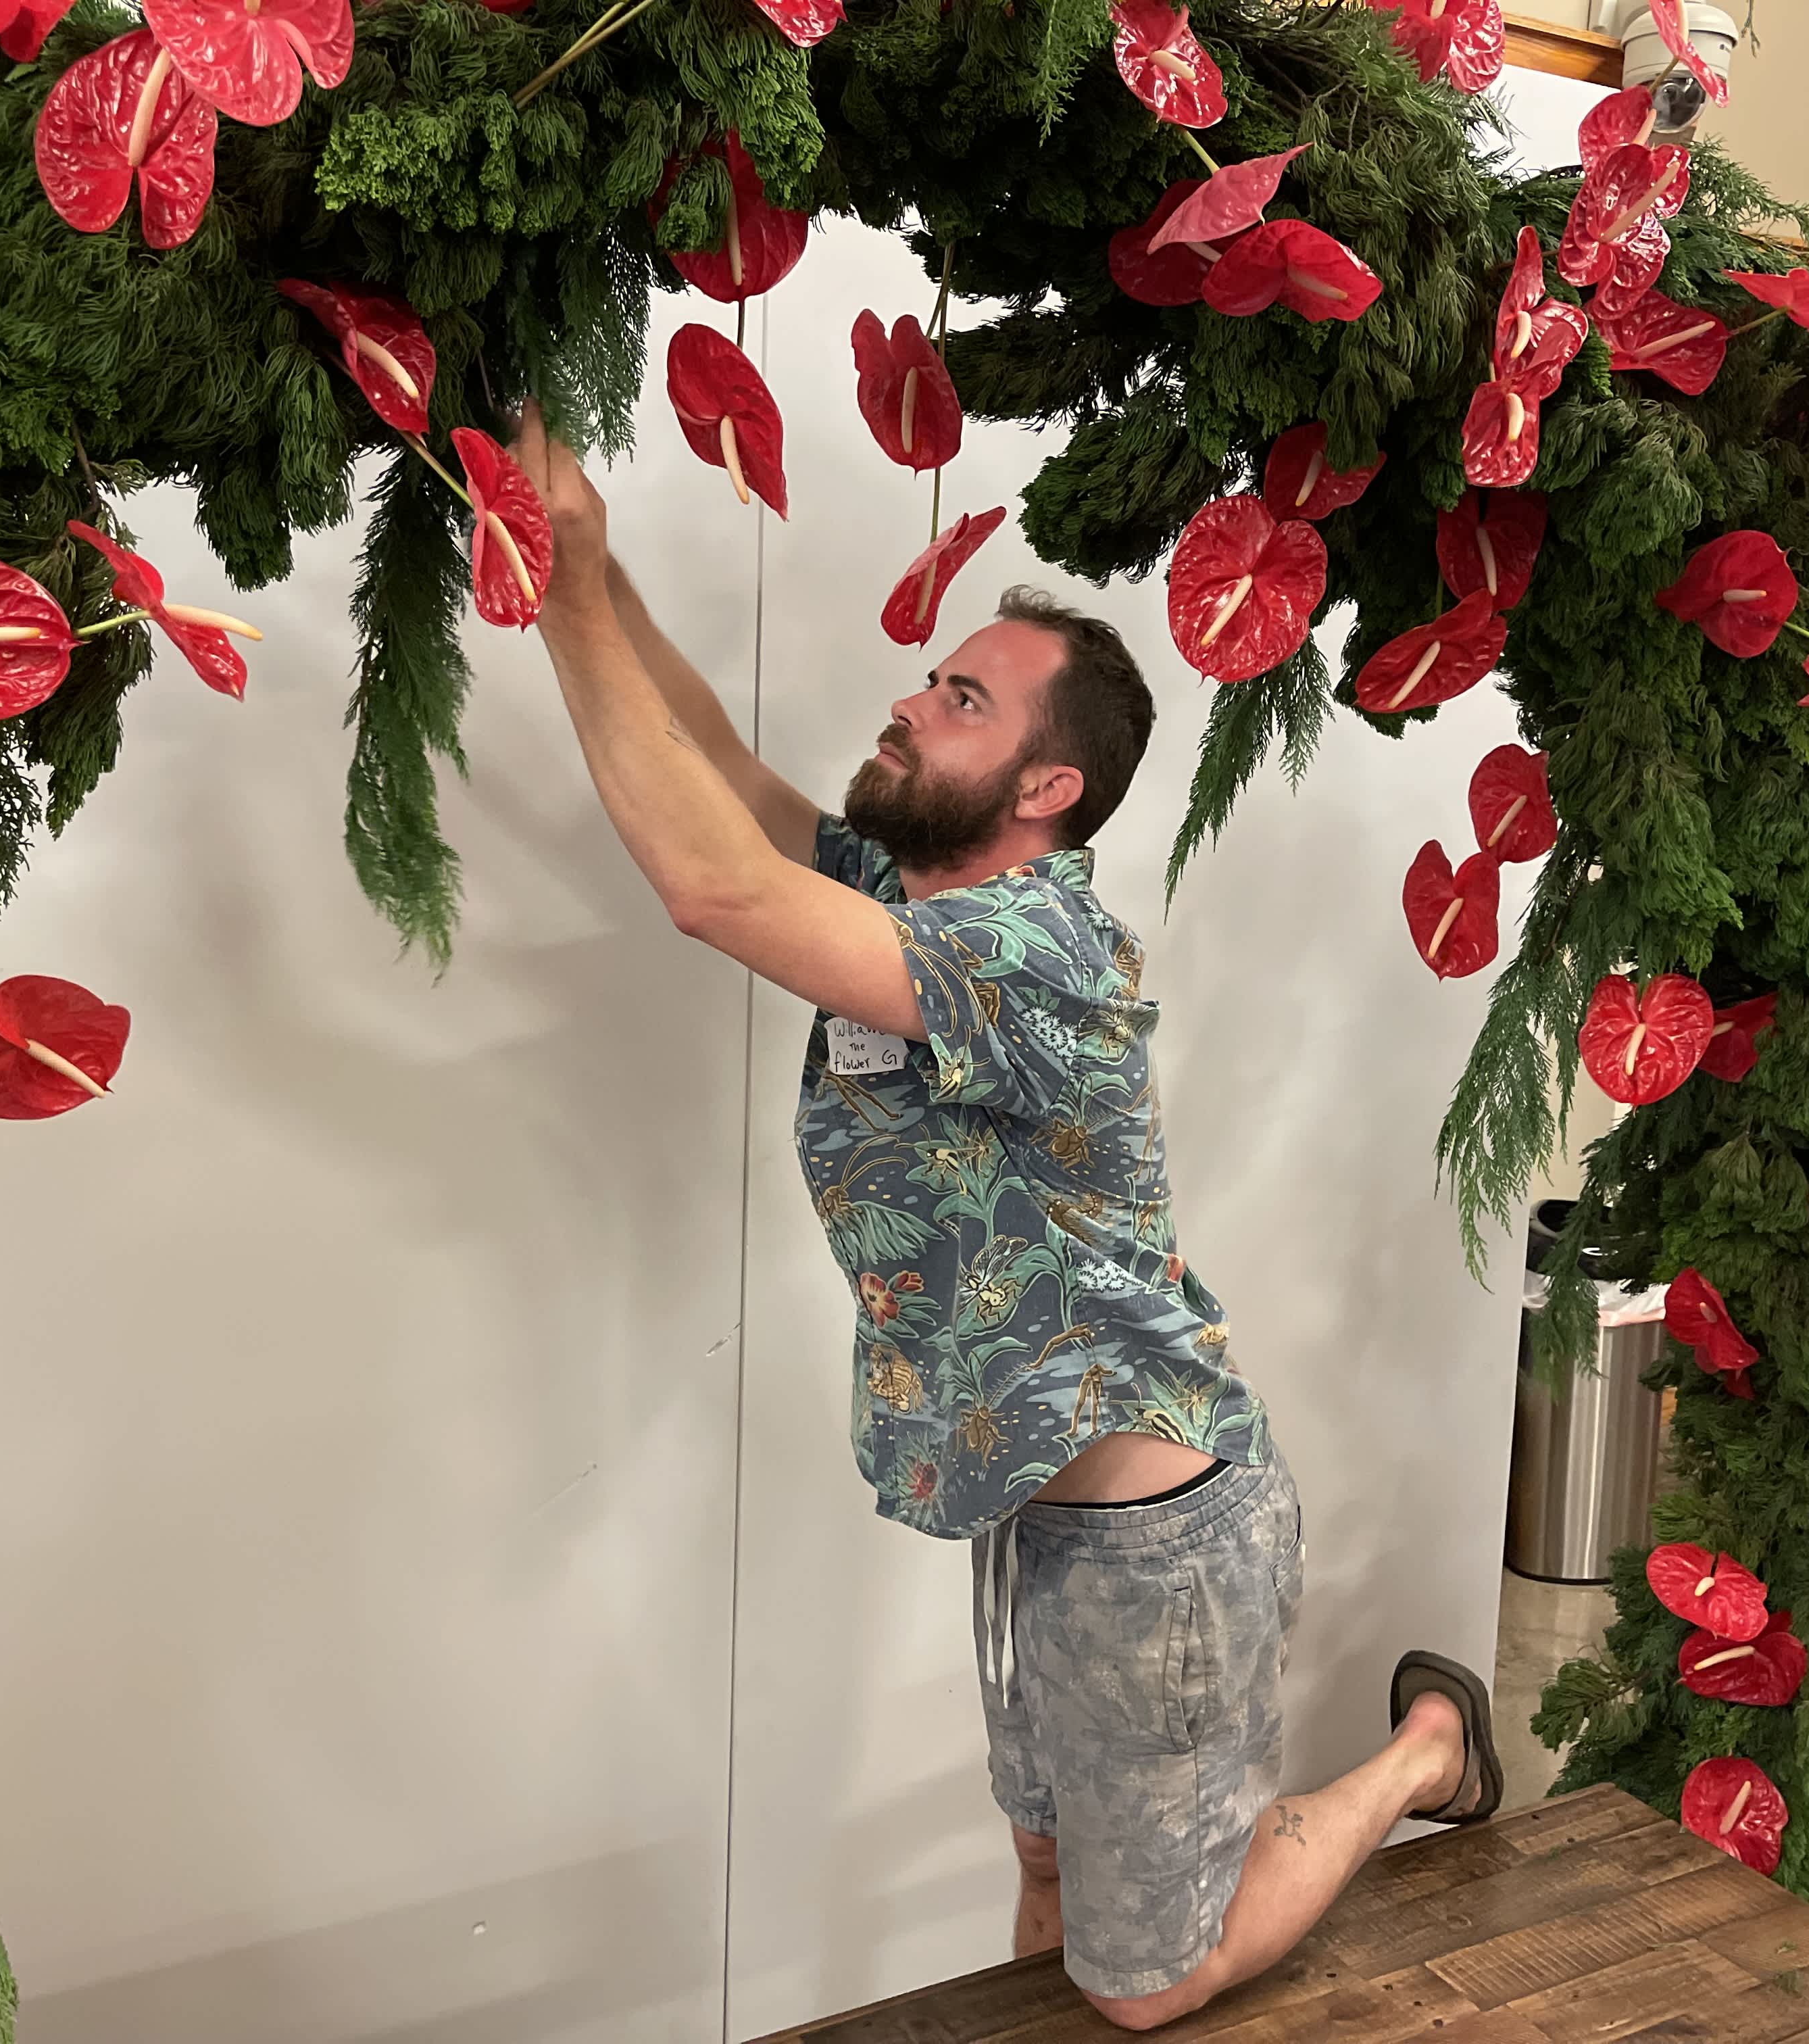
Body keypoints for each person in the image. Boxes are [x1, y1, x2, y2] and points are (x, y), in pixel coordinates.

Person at [510, 404, 1502, 2030]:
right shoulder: (917, 892)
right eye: (932, 681)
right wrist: (596, 572)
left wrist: (556, 599)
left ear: (1049, 784)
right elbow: (730, 791)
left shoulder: (1035, 949)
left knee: (1151, 1982)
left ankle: (1425, 1756)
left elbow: (714, 887)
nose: (910, 701)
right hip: (1038, 1522)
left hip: (1158, 1544)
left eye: (961, 699)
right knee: (1045, 1873)